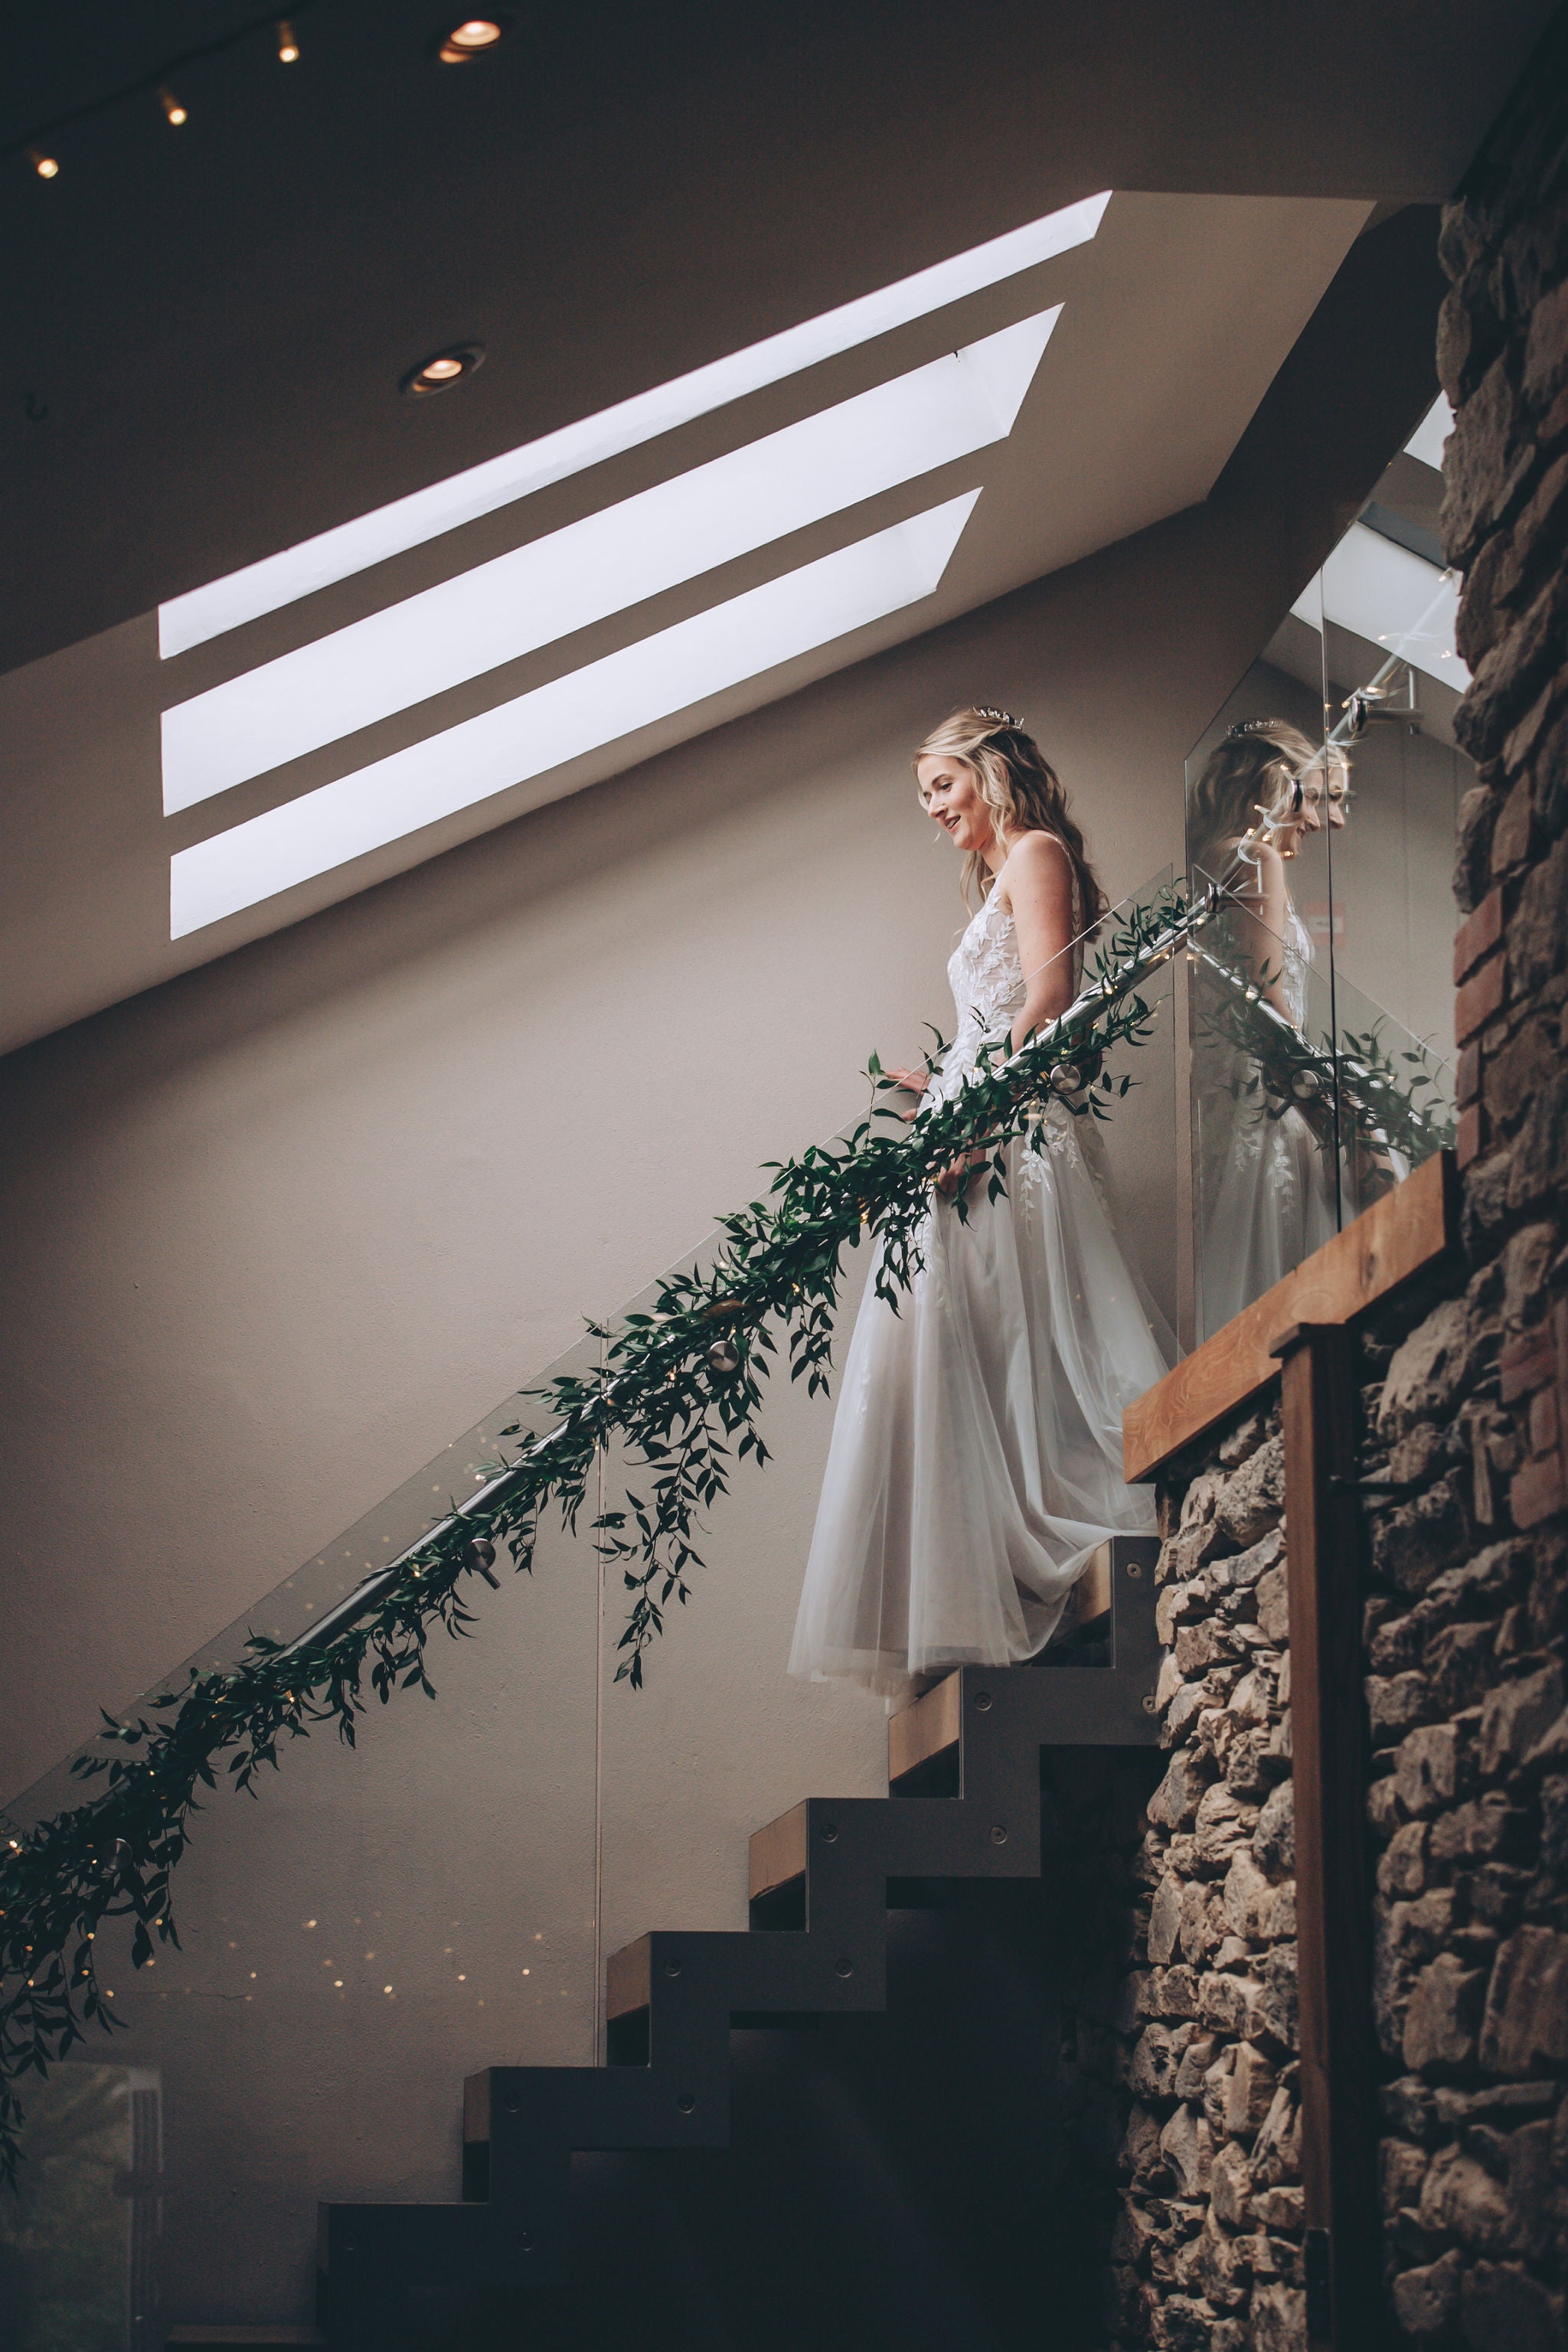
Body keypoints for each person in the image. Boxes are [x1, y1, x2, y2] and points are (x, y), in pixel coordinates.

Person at [789, 706, 1170, 1698]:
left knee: (991, 1328)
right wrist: (938, 1081)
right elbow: (997, 1018)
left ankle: (1016, 1548)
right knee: (956, 1335)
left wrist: (978, 1112)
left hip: (1004, 1133)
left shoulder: (1036, 850)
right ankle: (967, 1581)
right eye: (924, 795)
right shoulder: (1003, 871)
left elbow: (1047, 997)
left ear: (989, 771)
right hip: (972, 1115)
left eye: (941, 786)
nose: (932, 810)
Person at [1185, 717, 1351, 1334]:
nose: (1328, 820)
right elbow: (1270, 1003)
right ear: (1280, 782)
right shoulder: (1252, 858)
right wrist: (1331, 1106)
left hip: (1230, 1088)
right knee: (1276, 1263)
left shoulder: (1212, 858)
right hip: (1266, 1091)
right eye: (1324, 797)